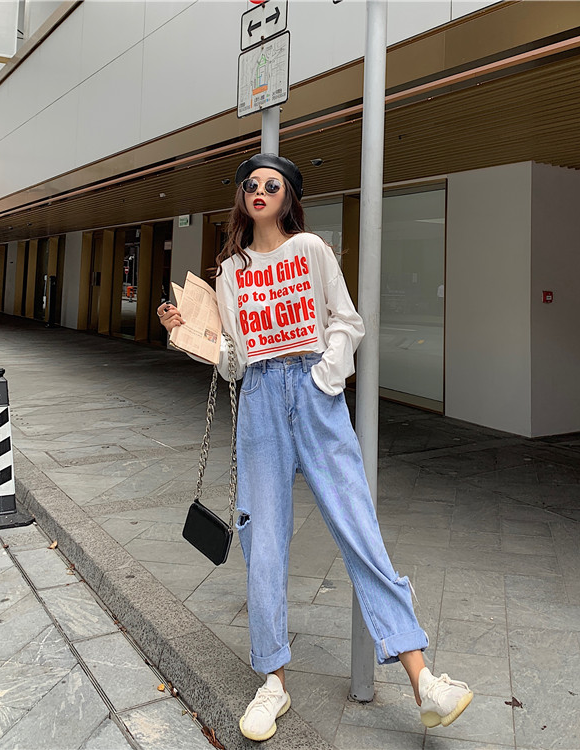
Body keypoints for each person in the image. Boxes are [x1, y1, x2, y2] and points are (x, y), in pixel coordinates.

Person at [158, 154, 472, 742]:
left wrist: (324, 378)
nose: (259, 191)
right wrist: (186, 334)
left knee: (357, 525)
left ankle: (423, 679)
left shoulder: (311, 250)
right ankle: (272, 681)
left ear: (289, 196)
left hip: (313, 392)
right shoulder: (231, 271)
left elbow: (347, 322)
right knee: (263, 542)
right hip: (259, 401)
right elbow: (234, 362)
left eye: (272, 185)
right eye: (251, 184)